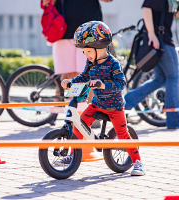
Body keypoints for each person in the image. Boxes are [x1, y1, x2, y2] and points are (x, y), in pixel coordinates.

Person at [61, 21, 145, 176]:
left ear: (100, 47)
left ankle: (138, 162)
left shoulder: (114, 64)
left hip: (114, 106)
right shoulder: (91, 63)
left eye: (88, 51)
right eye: (84, 52)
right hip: (97, 104)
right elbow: (83, 76)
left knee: (122, 134)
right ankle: (72, 156)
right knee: (78, 127)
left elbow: (120, 84)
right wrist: (70, 82)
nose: (86, 55)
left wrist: (102, 84)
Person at [124, 0, 179, 129]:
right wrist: (152, 34)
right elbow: (146, 7)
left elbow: (168, 15)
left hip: (160, 40)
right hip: (161, 40)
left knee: (160, 79)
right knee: (173, 78)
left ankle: (125, 103)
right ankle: (174, 119)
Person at [41, 0, 111, 127]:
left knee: (88, 75)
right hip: (64, 31)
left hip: (89, 32)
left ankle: (87, 115)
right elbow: (46, 3)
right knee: (73, 76)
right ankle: (77, 114)